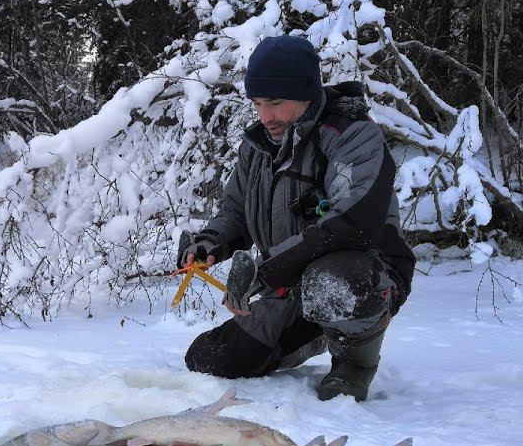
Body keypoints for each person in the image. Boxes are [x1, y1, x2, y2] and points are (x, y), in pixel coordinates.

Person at [178, 35, 416, 402]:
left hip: (365, 275)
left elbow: (353, 223)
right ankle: (318, 329)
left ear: (307, 93)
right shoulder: (257, 146)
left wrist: (266, 268)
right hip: (289, 285)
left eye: (275, 102)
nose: (265, 116)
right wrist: (212, 242)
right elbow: (236, 211)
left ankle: (355, 361)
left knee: (332, 281)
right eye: (257, 103)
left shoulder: (351, 135)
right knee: (208, 359)